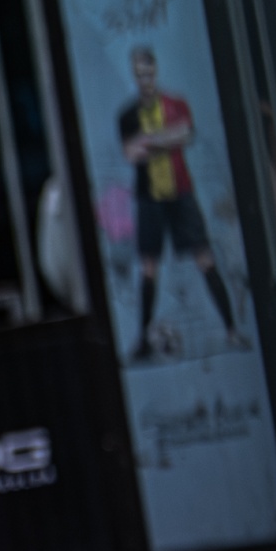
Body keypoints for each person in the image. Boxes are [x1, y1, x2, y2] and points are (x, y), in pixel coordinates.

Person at [118, 46, 248, 358]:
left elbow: (185, 134)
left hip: (180, 192)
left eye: (149, 73)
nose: (146, 80)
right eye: (140, 74)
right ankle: (143, 341)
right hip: (150, 197)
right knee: (149, 268)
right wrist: (165, 138)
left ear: (156, 72)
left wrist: (150, 141)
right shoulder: (128, 115)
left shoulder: (175, 103)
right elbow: (131, 153)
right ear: (134, 76)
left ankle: (231, 330)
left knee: (205, 258)